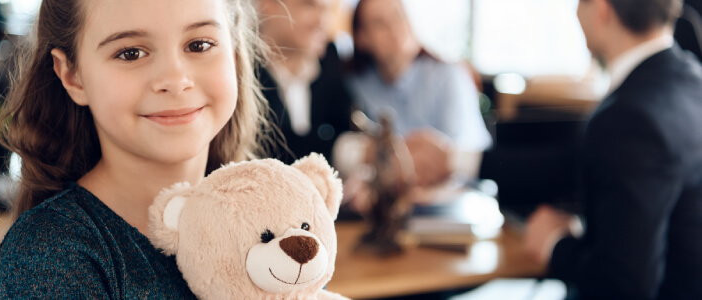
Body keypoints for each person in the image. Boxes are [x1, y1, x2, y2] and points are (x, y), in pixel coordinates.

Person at [0, 0, 269, 297]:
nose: (175, 80)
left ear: (234, 53)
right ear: (71, 74)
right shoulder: (48, 259)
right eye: (130, 53)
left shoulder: (275, 225)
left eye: (199, 45)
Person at [524, 0, 702, 299]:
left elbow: (622, 284)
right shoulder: (690, 78)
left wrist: (555, 244)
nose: (575, 12)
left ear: (602, 9)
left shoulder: (630, 115)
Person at [339, 0, 492, 210]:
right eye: (379, 23)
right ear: (362, 38)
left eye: (398, 15)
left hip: (453, 204)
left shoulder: (450, 76)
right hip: (386, 206)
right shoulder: (355, 85)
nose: (394, 27)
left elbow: (471, 153)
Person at [256, 0, 354, 165]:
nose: (322, 21)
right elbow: (266, 150)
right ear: (269, 5)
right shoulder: (239, 69)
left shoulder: (329, 58)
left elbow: (347, 123)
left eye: (327, 9)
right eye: (309, 5)